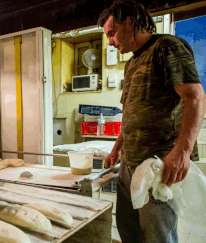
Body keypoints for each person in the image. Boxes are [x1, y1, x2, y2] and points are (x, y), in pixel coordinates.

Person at [98, 1, 206, 242]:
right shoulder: (132, 63)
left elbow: (195, 97)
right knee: (129, 230)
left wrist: (182, 152)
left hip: (157, 165)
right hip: (129, 163)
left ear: (129, 21)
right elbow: (131, 112)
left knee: (157, 235)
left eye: (112, 33)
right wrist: (117, 148)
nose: (111, 42)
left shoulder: (166, 47)